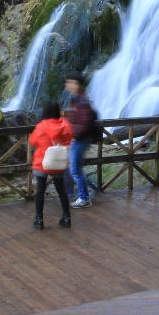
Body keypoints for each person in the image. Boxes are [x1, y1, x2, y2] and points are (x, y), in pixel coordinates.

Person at [28, 100, 72, 229]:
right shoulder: (65, 125)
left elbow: (32, 141)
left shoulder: (41, 126)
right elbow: (69, 140)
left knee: (40, 192)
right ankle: (67, 217)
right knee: (61, 190)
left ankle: (39, 220)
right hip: (58, 162)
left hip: (42, 162)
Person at [63, 72, 100, 208]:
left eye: (70, 82)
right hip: (79, 138)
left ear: (77, 84)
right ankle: (83, 194)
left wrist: (73, 132)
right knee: (75, 168)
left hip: (80, 139)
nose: (67, 85)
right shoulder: (79, 99)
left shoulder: (82, 101)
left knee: (75, 169)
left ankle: (84, 198)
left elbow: (85, 123)